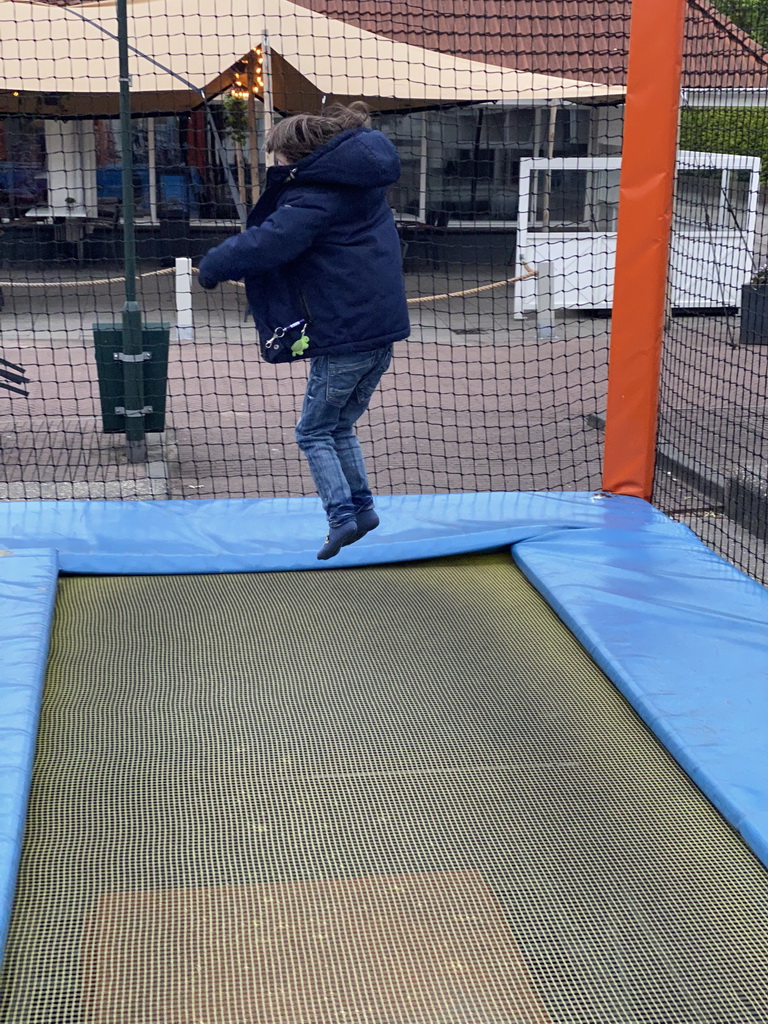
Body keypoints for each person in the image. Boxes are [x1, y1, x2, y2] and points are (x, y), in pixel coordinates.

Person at [198, 102, 409, 560]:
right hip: (379, 333)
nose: (273, 164)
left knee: (312, 431)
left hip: (343, 336)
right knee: (339, 425)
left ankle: (341, 517)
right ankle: (364, 508)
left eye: (276, 157)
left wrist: (215, 264)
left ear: (296, 156)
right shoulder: (361, 186)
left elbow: (269, 241)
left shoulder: (316, 196)